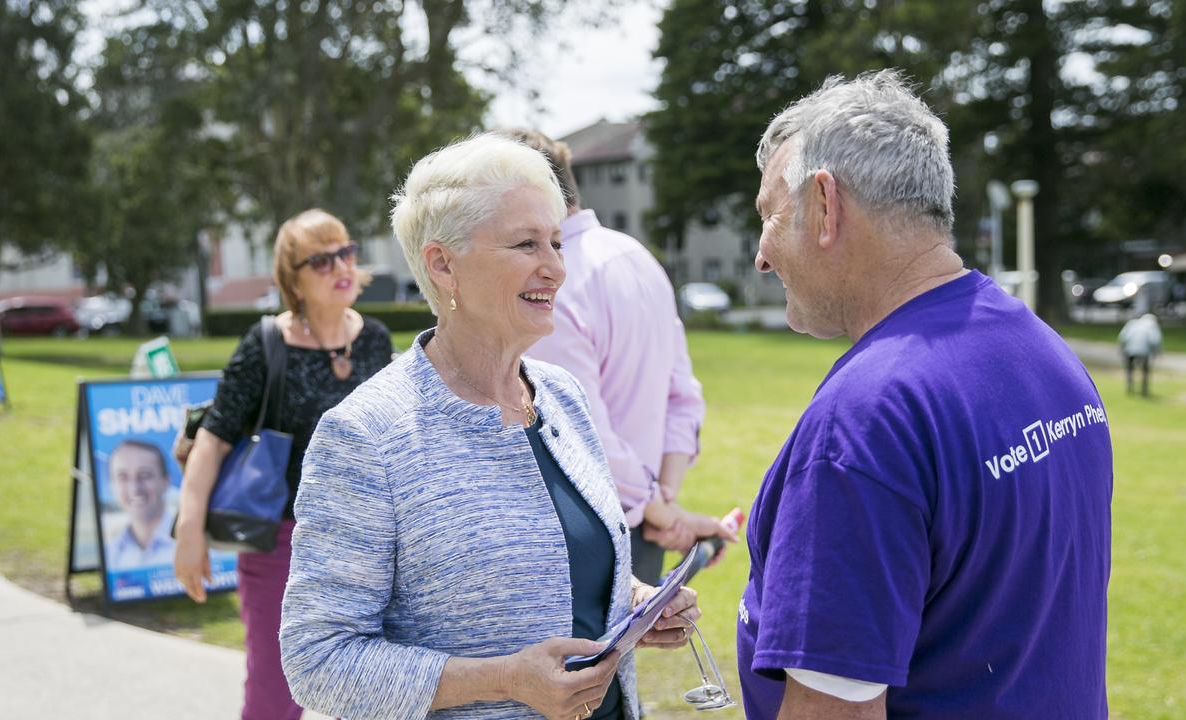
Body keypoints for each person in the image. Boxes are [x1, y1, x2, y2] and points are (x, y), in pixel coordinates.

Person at [280, 134, 702, 720]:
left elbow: (565, 568)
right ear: (442, 264)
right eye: (526, 244)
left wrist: (632, 605)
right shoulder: (366, 436)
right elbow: (317, 660)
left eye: (556, 241)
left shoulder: (562, 396)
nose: (555, 268)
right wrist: (503, 679)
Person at [737, 71, 1113, 719]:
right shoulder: (1042, 349)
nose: (761, 257)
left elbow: (839, 710)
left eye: (770, 215)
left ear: (826, 206)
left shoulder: (865, 420)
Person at [173, 209, 393, 720]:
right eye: (320, 259)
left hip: (369, 544)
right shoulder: (266, 343)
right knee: (275, 698)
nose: (340, 265)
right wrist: (189, 528)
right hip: (281, 544)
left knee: (371, 695)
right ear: (292, 277)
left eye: (346, 251)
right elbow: (213, 439)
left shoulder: (377, 341)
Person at [499, 128, 736, 585]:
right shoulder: (637, 255)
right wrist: (661, 496)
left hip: (585, 528)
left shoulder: (550, 284)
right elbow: (683, 397)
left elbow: (578, 429)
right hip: (640, 513)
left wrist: (655, 503)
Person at [105, 439, 174, 569]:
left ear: (165, 482)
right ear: (112, 486)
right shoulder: (110, 554)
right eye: (123, 477)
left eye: (145, 475)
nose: (134, 489)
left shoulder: (196, 546)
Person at [1119, 313, 1162, 396]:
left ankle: (1129, 388)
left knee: (1130, 370)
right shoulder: (1152, 326)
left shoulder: (1132, 324)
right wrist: (1157, 353)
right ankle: (1144, 390)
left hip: (1129, 350)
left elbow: (1123, 337)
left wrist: (1121, 349)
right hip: (1144, 352)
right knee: (1145, 371)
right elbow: (1155, 341)